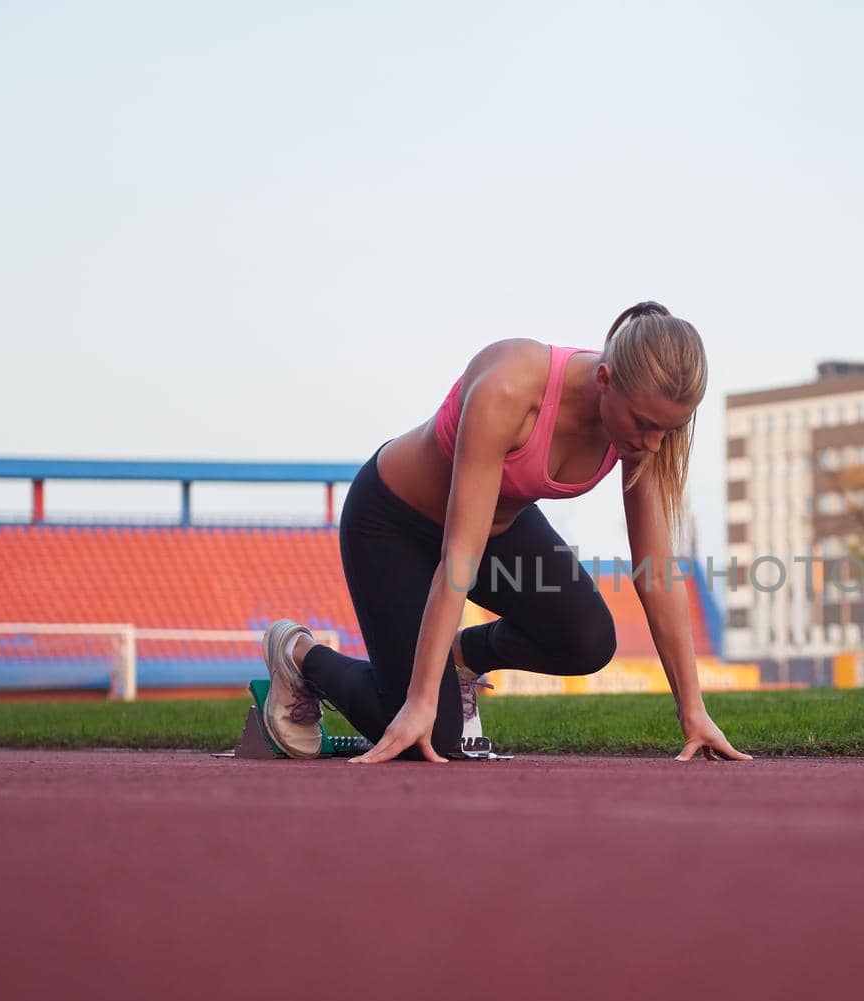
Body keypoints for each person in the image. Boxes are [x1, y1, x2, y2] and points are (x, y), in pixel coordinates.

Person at [258, 301, 752, 764]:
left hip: (494, 528)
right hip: (391, 522)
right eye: (644, 424)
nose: (652, 443)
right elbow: (458, 557)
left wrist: (693, 712)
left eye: (669, 429)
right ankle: (299, 655)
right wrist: (422, 702)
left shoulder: (643, 435)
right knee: (431, 734)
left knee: (588, 638)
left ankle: (460, 658)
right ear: (605, 379)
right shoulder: (511, 390)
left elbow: (657, 572)